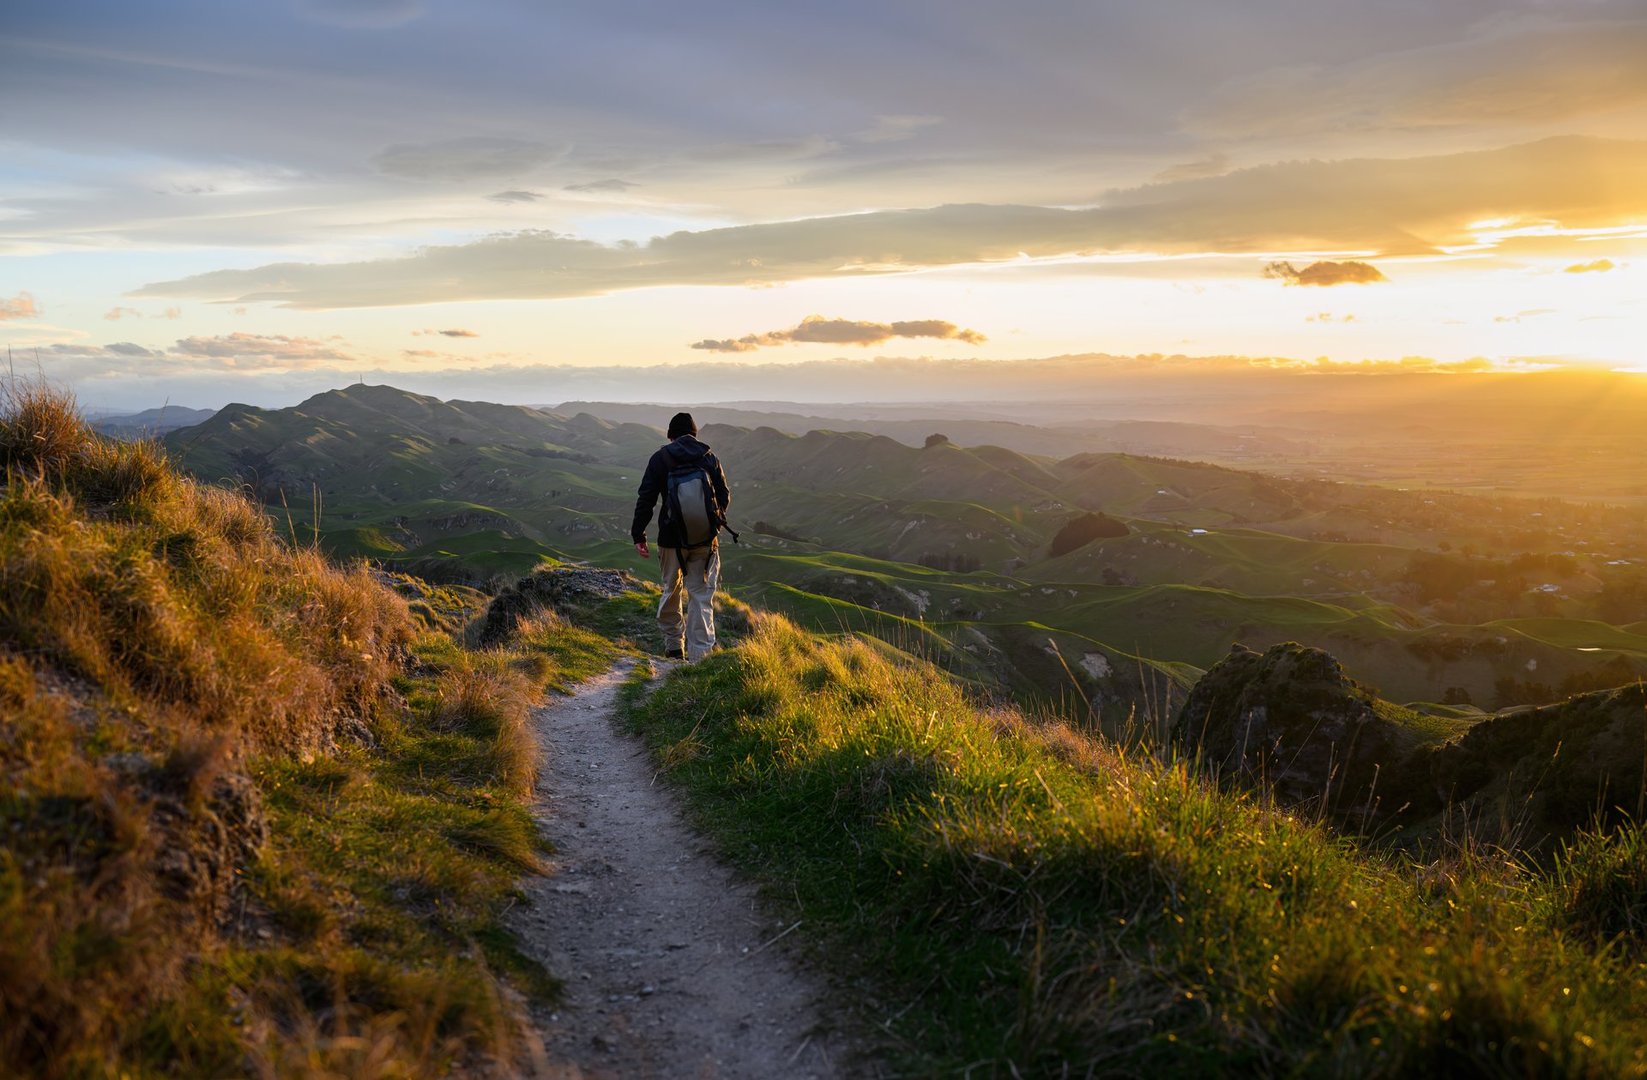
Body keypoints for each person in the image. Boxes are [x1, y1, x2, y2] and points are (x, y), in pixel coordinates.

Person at [631, 412, 730, 660]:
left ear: (670, 436)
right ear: (695, 434)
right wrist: (709, 523)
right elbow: (724, 495)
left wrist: (638, 534)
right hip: (705, 540)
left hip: (670, 540)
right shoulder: (709, 457)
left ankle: (674, 647)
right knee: (700, 595)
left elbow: (646, 499)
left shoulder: (660, 459)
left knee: (671, 590)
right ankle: (701, 655)